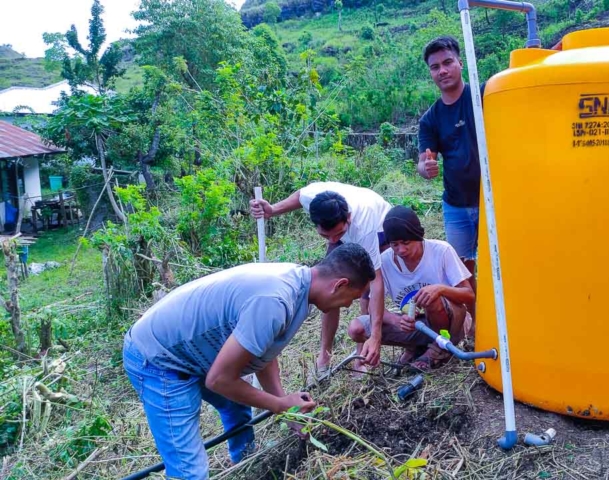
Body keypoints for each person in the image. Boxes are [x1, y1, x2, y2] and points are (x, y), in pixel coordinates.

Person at [123, 243, 375, 479]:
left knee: (238, 408)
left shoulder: (301, 287)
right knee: (189, 470)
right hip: (160, 359)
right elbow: (219, 380)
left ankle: (246, 467)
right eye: (352, 298)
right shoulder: (274, 301)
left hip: (195, 349)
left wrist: (288, 411)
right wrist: (279, 405)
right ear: (339, 284)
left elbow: (262, 354)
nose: (348, 305)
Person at [250, 181, 391, 374]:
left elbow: (376, 282)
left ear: (348, 218)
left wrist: (376, 335)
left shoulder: (363, 226)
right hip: (350, 230)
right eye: (326, 236)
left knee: (363, 289)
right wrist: (272, 210)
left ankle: (362, 355)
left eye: (338, 234)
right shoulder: (313, 197)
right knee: (329, 288)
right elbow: (299, 196)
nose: (333, 241)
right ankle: (324, 356)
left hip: (379, 227)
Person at [348, 206, 475, 369]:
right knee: (357, 328)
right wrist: (396, 320)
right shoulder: (384, 262)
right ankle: (417, 346)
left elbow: (469, 295)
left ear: (418, 236)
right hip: (418, 325)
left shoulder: (441, 251)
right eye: (395, 244)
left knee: (430, 297)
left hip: (453, 325)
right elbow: (374, 306)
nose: (401, 250)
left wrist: (440, 289)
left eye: (406, 243)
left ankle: (438, 349)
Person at [417, 35, 485, 333]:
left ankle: (508, 317)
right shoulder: (430, 119)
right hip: (456, 204)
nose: (442, 70)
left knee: (503, 262)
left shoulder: (483, 96)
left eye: (447, 63)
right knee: (461, 269)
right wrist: (426, 167)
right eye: (435, 67)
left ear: (460, 62)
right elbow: (423, 162)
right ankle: (477, 324)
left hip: (492, 199)